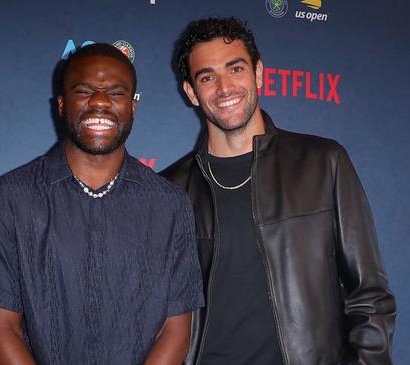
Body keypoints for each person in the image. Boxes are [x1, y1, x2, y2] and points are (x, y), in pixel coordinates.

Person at [161, 17, 396, 365]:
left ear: (258, 73)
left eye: (235, 68)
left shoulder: (323, 162)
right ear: (192, 92)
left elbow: (370, 296)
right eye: (207, 77)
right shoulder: (170, 190)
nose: (224, 88)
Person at [0, 43, 204, 364]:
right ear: (61, 104)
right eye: (85, 91)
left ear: (133, 107)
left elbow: (176, 331)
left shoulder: (170, 205)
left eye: (116, 93)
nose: (100, 102)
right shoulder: (9, 197)